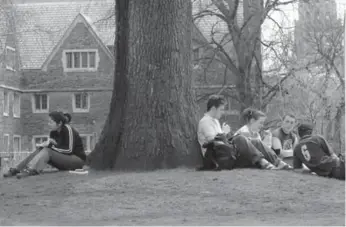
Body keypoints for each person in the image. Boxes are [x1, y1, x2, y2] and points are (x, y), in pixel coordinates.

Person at [198, 95, 282, 170]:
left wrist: (226, 135)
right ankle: (263, 163)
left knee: (255, 141)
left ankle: (278, 162)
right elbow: (213, 142)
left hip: (225, 154)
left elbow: (221, 141)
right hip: (216, 158)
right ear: (213, 109)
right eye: (221, 109)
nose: (223, 112)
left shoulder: (215, 121)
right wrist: (224, 133)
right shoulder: (205, 122)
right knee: (239, 138)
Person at [3, 111, 86, 179]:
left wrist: (51, 146)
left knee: (47, 150)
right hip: (64, 160)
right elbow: (55, 148)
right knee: (41, 149)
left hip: (77, 160)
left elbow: (69, 150)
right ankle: (17, 169)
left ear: (59, 123)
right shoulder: (53, 132)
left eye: (51, 122)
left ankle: (32, 170)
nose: (49, 124)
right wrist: (46, 145)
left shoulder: (68, 129)